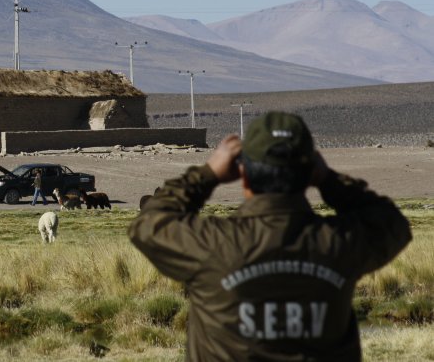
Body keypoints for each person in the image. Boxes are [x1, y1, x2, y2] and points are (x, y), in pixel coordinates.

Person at [129, 111, 411, 361]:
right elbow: (391, 224)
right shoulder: (339, 243)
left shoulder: (212, 246)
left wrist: (207, 173)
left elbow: (150, 222)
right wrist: (330, 180)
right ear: (309, 171)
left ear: (245, 175)